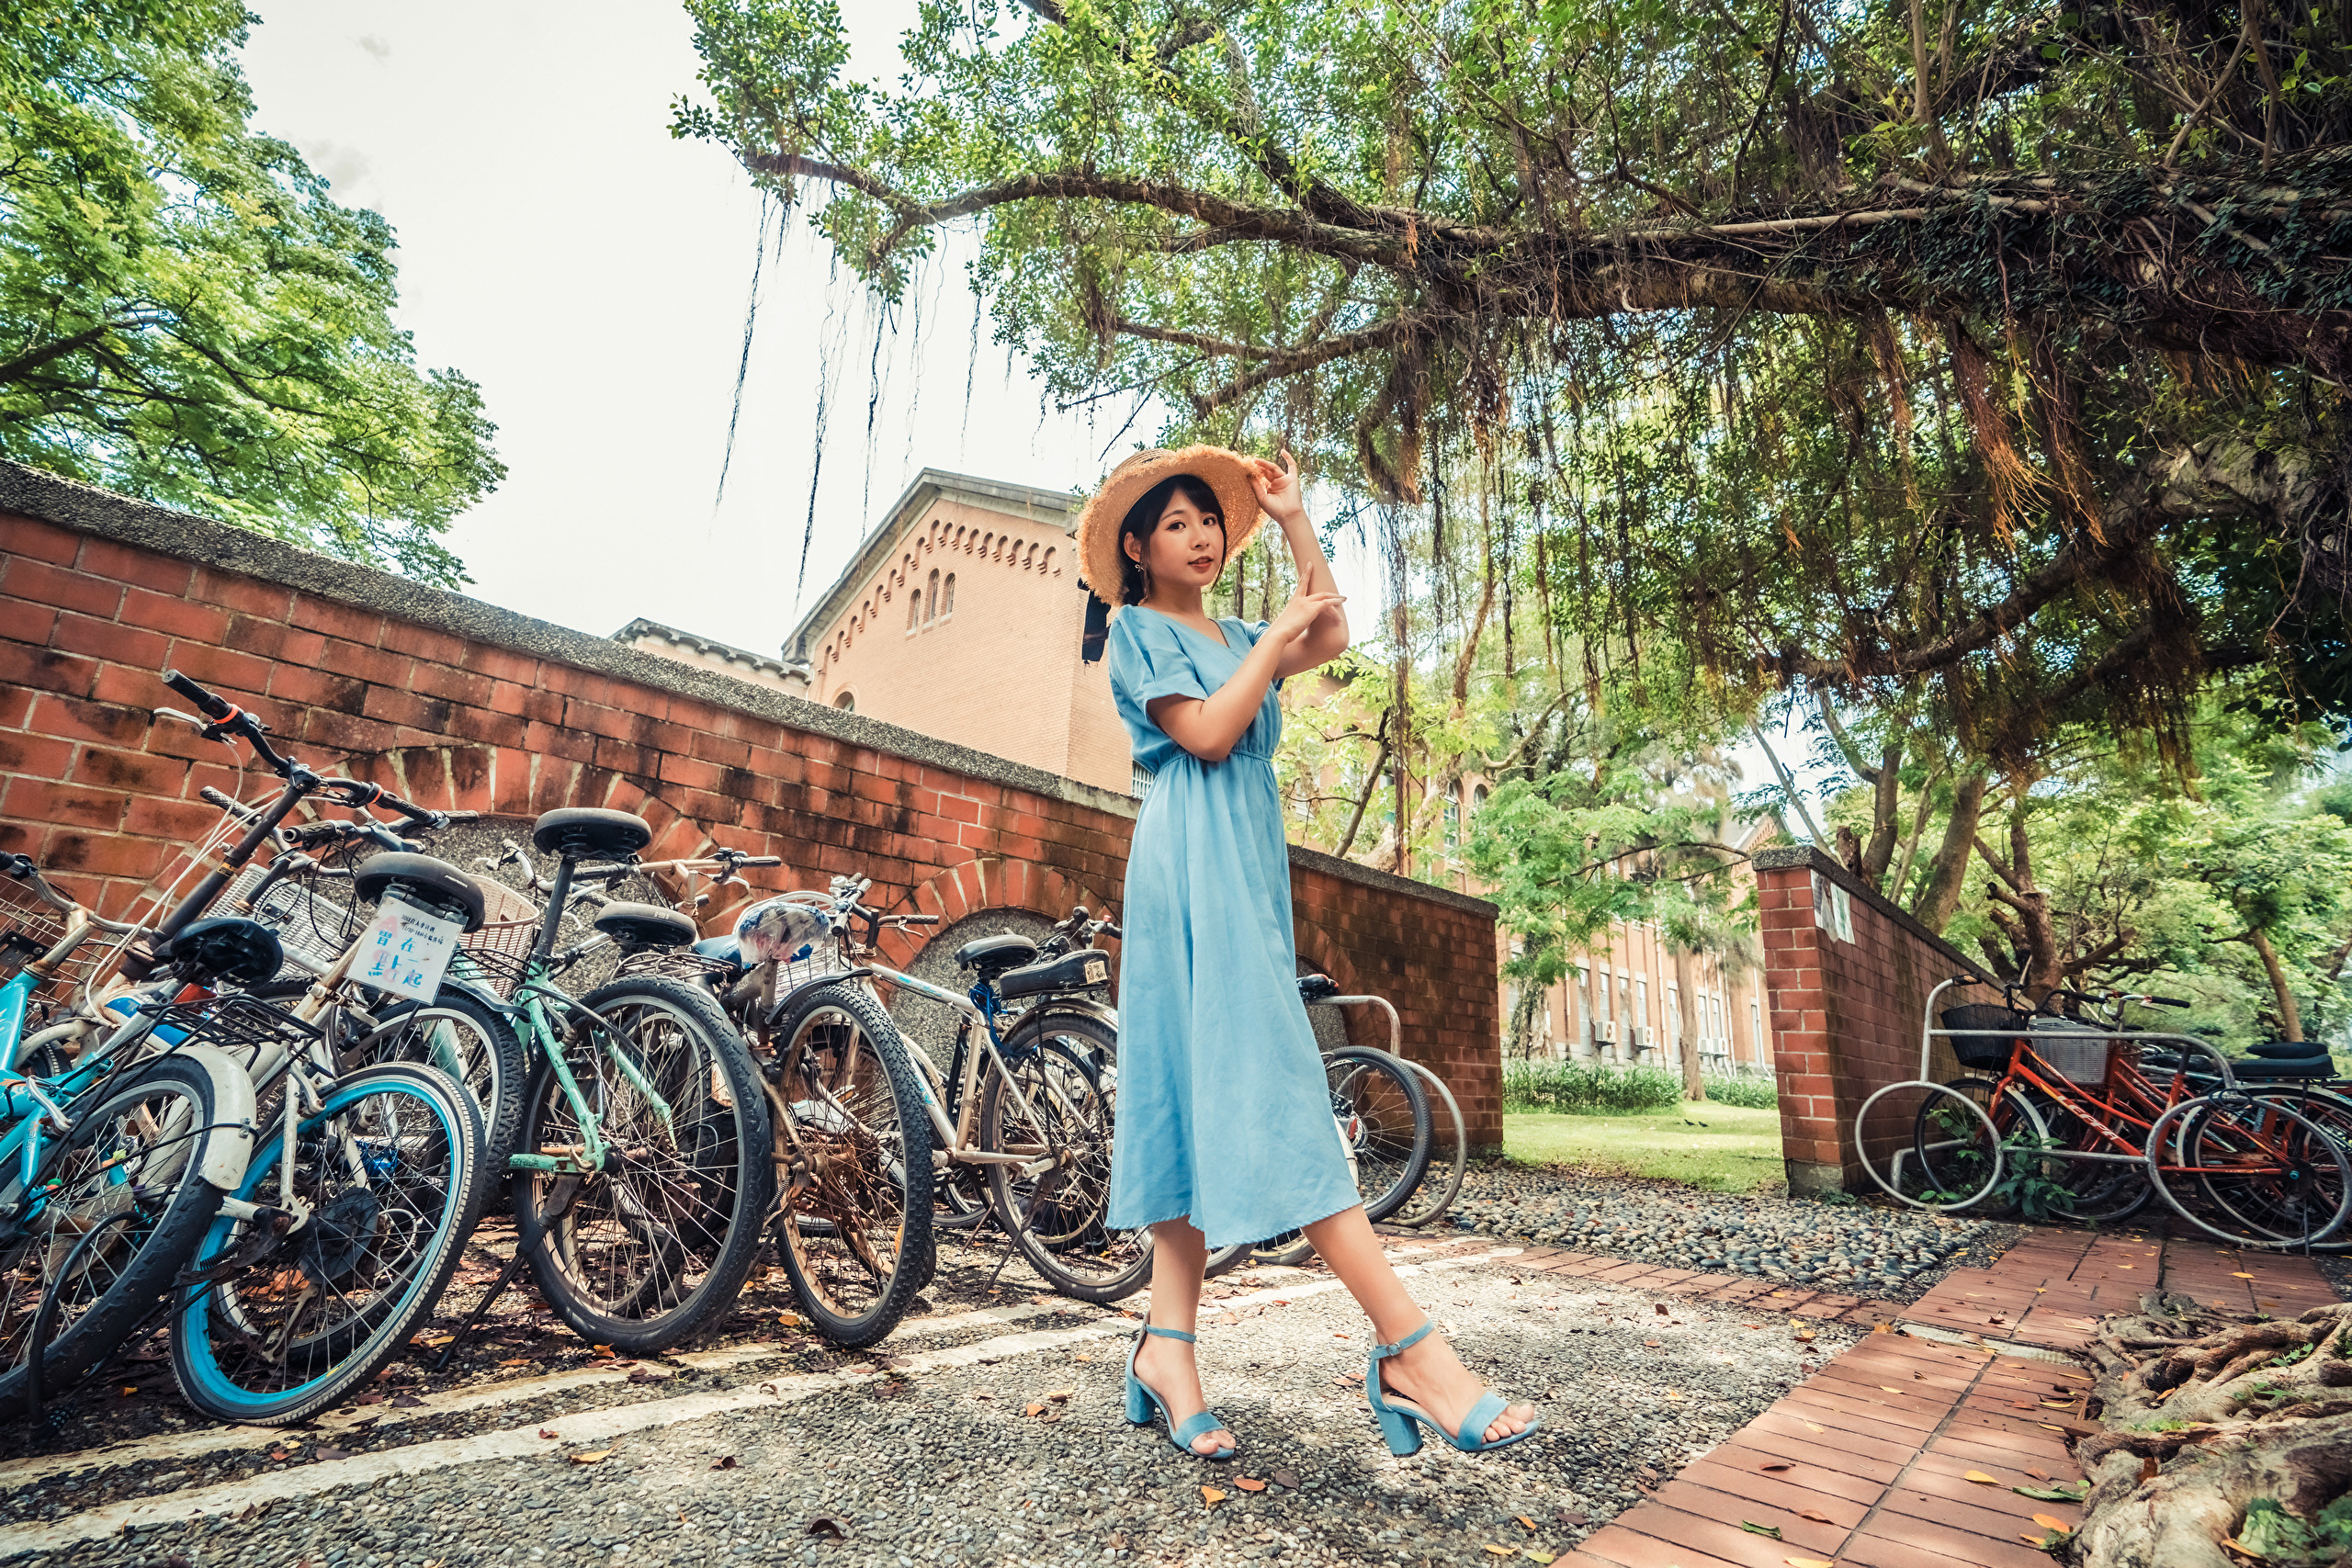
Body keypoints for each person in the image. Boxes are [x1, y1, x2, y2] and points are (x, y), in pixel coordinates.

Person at [1075, 444, 1539, 1461]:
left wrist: (1293, 523)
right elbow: (1203, 734)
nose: (1201, 537)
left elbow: (1329, 627)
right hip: (1188, 873)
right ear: (1136, 547)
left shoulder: (1241, 628)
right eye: (1179, 524)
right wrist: (1267, 640)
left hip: (1241, 869)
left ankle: (1166, 1350)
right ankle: (1412, 1349)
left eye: (1211, 521)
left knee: (1196, 1098)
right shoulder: (1139, 635)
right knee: (1277, 1088)